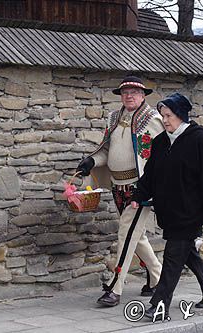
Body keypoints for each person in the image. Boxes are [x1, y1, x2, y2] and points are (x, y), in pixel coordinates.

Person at [131, 93, 203, 320]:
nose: (165, 120)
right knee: (186, 253)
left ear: (181, 115)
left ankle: (159, 305)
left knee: (173, 258)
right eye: (163, 116)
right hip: (169, 210)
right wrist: (138, 194)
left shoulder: (197, 139)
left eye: (169, 116)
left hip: (191, 210)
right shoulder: (161, 141)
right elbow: (151, 174)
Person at [76, 76, 163, 307]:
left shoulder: (154, 119)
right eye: (125, 92)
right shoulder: (114, 118)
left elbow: (162, 157)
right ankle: (159, 278)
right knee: (136, 234)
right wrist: (92, 162)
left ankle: (116, 287)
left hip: (140, 188)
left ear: (143, 95)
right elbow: (107, 151)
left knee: (126, 232)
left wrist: (153, 186)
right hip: (118, 186)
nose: (129, 96)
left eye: (134, 92)